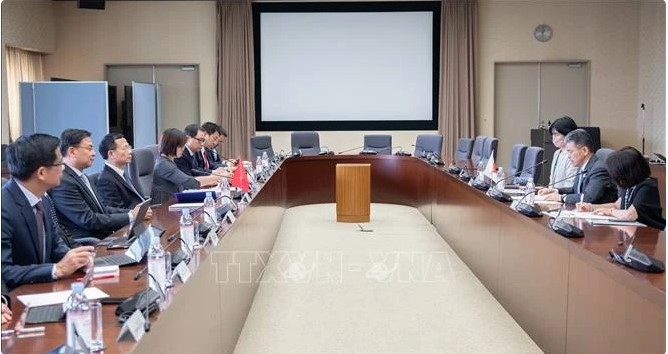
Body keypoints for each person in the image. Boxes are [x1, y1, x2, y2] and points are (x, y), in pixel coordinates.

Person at [2, 134, 94, 290]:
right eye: (59, 162)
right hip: (17, 300)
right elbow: (4, 271)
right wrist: (56, 269)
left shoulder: (42, 198)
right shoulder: (4, 207)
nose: (64, 167)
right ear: (42, 173)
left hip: (45, 289)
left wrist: (76, 260)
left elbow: (55, 244)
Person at [49, 129, 143, 240]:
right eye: (89, 148)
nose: (93, 153)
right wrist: (131, 216)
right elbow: (88, 220)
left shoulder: (83, 177)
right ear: (72, 151)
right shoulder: (63, 182)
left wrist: (132, 213)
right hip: (88, 243)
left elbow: (104, 209)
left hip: (105, 236)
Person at [577, 147, 665, 230]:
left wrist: (610, 212)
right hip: (633, 231)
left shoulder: (647, 187)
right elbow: (616, 205)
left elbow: (630, 215)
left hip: (651, 233)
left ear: (627, 172)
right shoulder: (630, 184)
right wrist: (591, 207)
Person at [539, 129, 617, 204]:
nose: (568, 156)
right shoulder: (583, 165)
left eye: (570, 152)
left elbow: (588, 198)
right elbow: (575, 190)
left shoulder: (599, 169)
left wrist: (561, 198)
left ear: (584, 151)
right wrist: (555, 191)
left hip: (598, 214)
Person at [151, 128, 221, 204]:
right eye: (181, 146)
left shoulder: (168, 160)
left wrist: (208, 181)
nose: (183, 149)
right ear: (172, 146)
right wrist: (216, 177)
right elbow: (188, 181)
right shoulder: (164, 165)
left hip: (172, 201)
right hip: (163, 206)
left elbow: (182, 184)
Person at [96, 133, 149, 211]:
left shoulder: (123, 172)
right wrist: (138, 213)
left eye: (129, 147)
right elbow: (116, 211)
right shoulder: (106, 180)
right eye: (125, 148)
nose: (130, 151)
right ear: (111, 154)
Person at [546, 116, 579, 189]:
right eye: (552, 134)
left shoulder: (573, 155)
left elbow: (570, 184)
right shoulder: (557, 153)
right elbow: (552, 181)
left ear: (568, 134)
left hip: (563, 197)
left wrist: (557, 195)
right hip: (552, 196)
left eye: (557, 134)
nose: (553, 138)